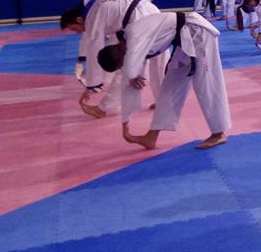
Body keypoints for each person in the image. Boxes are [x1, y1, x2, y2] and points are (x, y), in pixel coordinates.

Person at [97, 11, 230, 149]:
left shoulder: (134, 39)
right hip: (184, 39)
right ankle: (151, 136)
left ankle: (218, 133)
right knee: (170, 86)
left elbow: (130, 71)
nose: (123, 67)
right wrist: (125, 122)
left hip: (197, 32)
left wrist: (132, 76)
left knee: (206, 82)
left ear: (120, 59)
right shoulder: (128, 46)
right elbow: (128, 81)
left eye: (120, 65)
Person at [60, 0, 165, 121]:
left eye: (74, 28)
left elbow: (94, 51)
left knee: (126, 67)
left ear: (79, 19)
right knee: (158, 58)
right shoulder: (94, 3)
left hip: (139, 20)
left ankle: (103, 109)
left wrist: (92, 86)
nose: (77, 32)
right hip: (151, 11)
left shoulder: (92, 17)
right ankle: (163, 102)